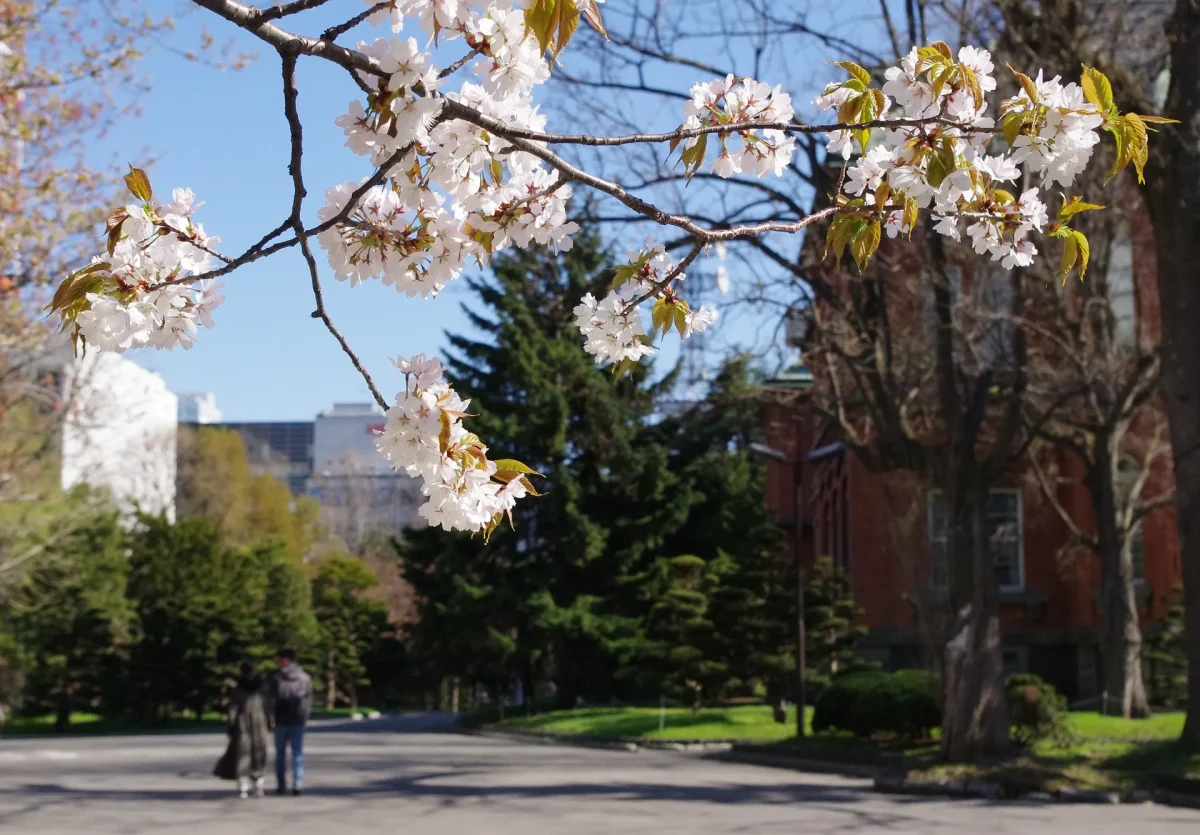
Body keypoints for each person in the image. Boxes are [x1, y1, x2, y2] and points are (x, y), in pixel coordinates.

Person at [227, 661, 272, 799]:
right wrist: (270, 722)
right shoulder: (259, 686)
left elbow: (233, 708)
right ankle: (253, 783)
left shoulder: (242, 687)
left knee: (248, 752)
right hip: (254, 722)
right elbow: (268, 706)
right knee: (252, 752)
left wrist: (231, 724)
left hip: (248, 722)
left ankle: (248, 784)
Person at [271, 648, 312, 796]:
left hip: (280, 720)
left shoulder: (277, 678)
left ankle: (281, 785)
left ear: (285, 660)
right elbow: (308, 700)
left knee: (280, 755)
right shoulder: (304, 678)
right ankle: (298, 783)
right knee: (297, 754)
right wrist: (304, 717)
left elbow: (271, 700)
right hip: (298, 720)